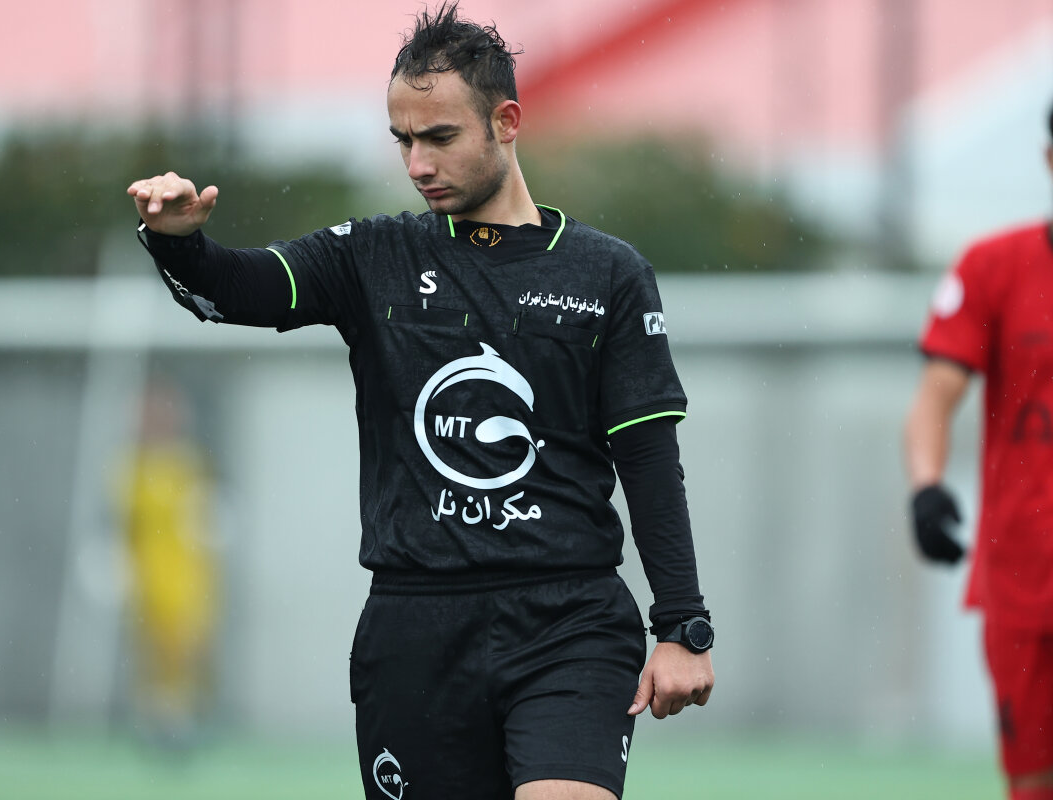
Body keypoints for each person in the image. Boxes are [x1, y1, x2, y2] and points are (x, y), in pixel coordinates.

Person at [128, 4, 714, 797]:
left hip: (569, 622)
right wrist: (178, 242)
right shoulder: (373, 256)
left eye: (439, 137)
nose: (417, 163)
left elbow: (649, 459)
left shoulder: (607, 274)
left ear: (507, 122)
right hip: (415, 633)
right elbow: (238, 290)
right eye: (403, 140)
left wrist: (682, 625)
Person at [903, 108, 1053, 800]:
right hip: (1026, 574)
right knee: (1032, 781)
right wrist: (926, 487)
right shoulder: (995, 267)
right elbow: (935, 399)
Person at [113, 379, 219, 753]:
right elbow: (121, 524)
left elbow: (204, 517)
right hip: (146, 580)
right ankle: (156, 726)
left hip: (188, 580)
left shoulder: (189, 463)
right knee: (151, 658)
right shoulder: (129, 467)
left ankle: (182, 725)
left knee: (187, 655)